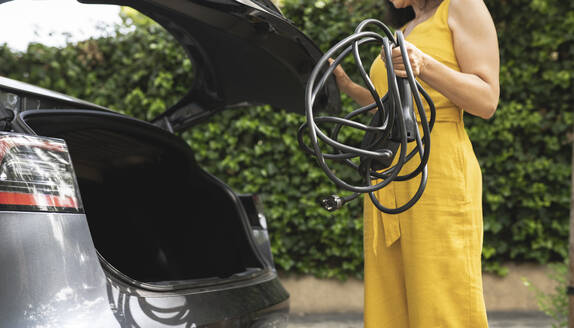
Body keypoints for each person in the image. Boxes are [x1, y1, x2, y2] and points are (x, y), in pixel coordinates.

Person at [329, 0, 500, 326]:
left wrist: (424, 63)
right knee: (389, 304)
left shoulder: (462, 6)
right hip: (388, 173)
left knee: (442, 300)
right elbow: (392, 105)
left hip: (438, 173)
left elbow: (486, 99)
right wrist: (347, 86)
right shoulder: (403, 29)